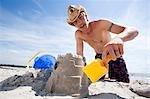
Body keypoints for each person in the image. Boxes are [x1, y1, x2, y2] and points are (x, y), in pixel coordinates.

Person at [67, 5, 138, 83]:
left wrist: (119, 38)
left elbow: (133, 30)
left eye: (81, 17)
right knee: (91, 81)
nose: (80, 22)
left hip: (113, 55)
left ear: (86, 16)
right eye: (76, 21)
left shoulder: (101, 24)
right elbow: (79, 55)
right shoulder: (78, 34)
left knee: (123, 82)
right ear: (74, 25)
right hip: (99, 59)